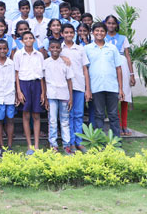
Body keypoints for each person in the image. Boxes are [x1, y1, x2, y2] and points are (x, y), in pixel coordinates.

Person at [85, 21, 124, 138]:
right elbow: (85, 70)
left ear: (106, 33)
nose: (99, 33)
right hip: (96, 87)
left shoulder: (112, 48)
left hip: (112, 86)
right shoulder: (87, 49)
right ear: (92, 33)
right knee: (99, 115)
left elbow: (118, 68)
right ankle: (99, 142)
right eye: (97, 30)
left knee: (113, 115)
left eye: (102, 31)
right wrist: (88, 89)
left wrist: (121, 89)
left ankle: (116, 142)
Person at [60, 23, 92, 152]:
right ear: (62, 34)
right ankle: (70, 142)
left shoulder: (80, 49)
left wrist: (87, 89)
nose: (68, 35)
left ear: (74, 34)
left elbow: (85, 69)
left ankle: (79, 141)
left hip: (79, 85)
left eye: (71, 32)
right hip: (64, 87)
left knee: (78, 114)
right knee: (68, 115)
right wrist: (62, 56)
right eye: (66, 32)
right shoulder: (59, 48)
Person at [15, 31, 46, 155]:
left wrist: (43, 93)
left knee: (36, 115)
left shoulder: (39, 55)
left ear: (34, 40)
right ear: (22, 41)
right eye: (26, 38)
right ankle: (29, 145)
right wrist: (18, 91)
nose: (28, 40)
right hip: (24, 84)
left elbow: (42, 76)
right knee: (26, 115)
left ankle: (37, 145)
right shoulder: (18, 54)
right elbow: (16, 74)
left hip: (37, 84)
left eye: (30, 38)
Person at [105, 15, 136, 136]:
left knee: (125, 95)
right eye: (109, 23)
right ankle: (117, 124)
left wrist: (132, 74)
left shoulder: (123, 38)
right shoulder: (103, 37)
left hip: (122, 65)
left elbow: (128, 56)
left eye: (113, 23)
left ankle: (124, 125)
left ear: (116, 25)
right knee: (114, 96)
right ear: (105, 24)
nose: (111, 25)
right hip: (110, 65)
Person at [43, 39, 74, 154]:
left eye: (57, 47)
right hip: (51, 95)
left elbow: (69, 80)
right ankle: (53, 145)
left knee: (65, 121)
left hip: (64, 95)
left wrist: (71, 97)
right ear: (49, 49)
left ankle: (67, 145)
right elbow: (43, 80)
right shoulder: (46, 62)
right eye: (52, 47)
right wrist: (44, 96)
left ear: (60, 49)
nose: (55, 49)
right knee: (52, 120)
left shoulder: (65, 62)